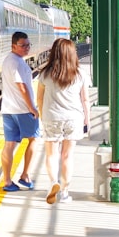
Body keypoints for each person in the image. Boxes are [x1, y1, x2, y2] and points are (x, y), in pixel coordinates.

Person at [36, 38, 90, 204]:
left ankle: (53, 182)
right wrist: (87, 119)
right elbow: (85, 100)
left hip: (52, 117)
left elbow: (40, 98)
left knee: (51, 154)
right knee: (67, 156)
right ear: (73, 54)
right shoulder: (80, 74)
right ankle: (65, 192)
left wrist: (42, 115)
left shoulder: (45, 74)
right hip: (73, 119)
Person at [0, 31, 40, 192]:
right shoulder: (16, 63)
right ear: (13, 46)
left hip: (8, 109)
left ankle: (7, 181)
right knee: (34, 139)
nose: (26, 48)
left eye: (28, 45)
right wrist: (32, 107)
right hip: (23, 110)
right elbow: (22, 87)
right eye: (23, 45)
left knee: (10, 144)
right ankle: (25, 175)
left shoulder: (8, 60)